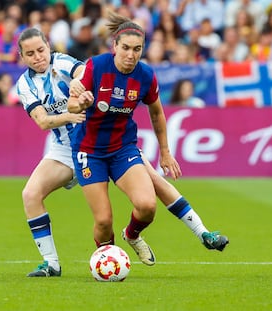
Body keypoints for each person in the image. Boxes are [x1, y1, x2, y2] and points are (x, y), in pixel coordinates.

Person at [67, 11, 228, 267]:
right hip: (89, 151)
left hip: (122, 148)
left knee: (147, 206)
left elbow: (157, 113)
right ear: (115, 47)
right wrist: (80, 103)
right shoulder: (95, 67)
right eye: (126, 48)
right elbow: (72, 106)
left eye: (137, 49)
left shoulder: (145, 75)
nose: (131, 55)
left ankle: (132, 235)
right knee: (103, 221)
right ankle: (109, 261)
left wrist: (165, 152)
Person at [16, 27, 87, 277]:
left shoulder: (62, 62)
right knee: (30, 194)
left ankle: (198, 230)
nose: (38, 57)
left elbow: (82, 71)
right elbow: (43, 122)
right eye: (30, 54)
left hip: (95, 142)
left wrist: (79, 80)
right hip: (64, 149)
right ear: (22, 57)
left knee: (145, 186)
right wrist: (70, 115)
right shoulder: (24, 84)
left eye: (41, 50)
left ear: (49, 47)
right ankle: (51, 264)